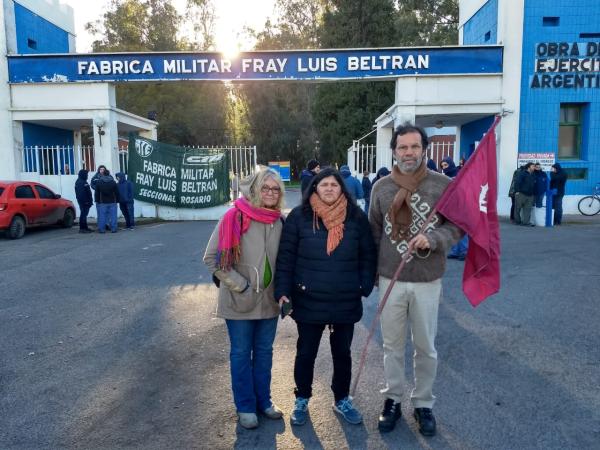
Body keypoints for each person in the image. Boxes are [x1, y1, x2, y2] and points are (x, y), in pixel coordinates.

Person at [369, 124, 462, 437]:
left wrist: (433, 238)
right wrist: (369, 277)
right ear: (394, 151)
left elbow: (456, 227)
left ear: (424, 149)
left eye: (414, 147)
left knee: (425, 347)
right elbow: (373, 233)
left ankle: (423, 403)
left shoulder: (443, 185)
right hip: (389, 279)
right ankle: (392, 399)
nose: (408, 153)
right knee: (392, 347)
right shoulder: (380, 187)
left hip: (426, 279)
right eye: (402, 147)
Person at [275, 168, 376, 427]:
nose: (329, 188)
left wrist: (364, 284)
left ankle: (342, 398)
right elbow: (285, 258)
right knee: (306, 353)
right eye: (324, 185)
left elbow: (368, 253)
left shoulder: (355, 217)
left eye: (334, 184)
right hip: (309, 299)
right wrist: (283, 292)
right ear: (315, 188)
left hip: (345, 298)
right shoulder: (299, 217)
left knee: (342, 353)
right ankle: (302, 399)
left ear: (342, 188)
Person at [203, 168, 286, 430]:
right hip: (239, 301)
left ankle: (264, 401)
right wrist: (242, 286)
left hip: (269, 303)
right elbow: (212, 258)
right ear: (256, 189)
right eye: (266, 188)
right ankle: (246, 406)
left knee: (264, 353)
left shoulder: (279, 221)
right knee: (241, 354)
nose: (271, 193)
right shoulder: (234, 216)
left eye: (276, 189)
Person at [441, 157, 469, 260]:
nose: (444, 168)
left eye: (446, 165)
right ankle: (455, 250)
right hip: (450, 206)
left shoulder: (459, 174)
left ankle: (464, 250)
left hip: (461, 205)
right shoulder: (445, 177)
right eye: (442, 166)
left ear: (450, 164)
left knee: (461, 228)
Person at [91, 165, 120, 233]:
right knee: (113, 216)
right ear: (109, 174)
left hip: (102, 202)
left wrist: (97, 200)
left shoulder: (99, 182)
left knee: (102, 216)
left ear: (103, 174)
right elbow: (117, 192)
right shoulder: (113, 182)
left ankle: (102, 229)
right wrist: (118, 200)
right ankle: (114, 229)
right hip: (112, 202)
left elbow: (97, 193)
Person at [74, 169, 93, 233]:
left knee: (84, 214)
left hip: (85, 201)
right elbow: (81, 194)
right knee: (83, 215)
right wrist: (86, 201)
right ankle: (82, 229)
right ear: (83, 175)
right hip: (84, 202)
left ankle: (85, 227)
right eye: (86, 174)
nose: (87, 176)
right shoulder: (80, 182)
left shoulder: (83, 181)